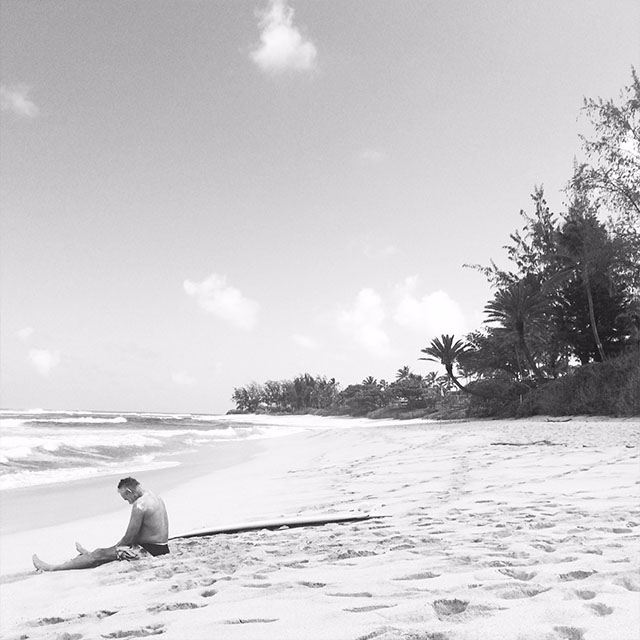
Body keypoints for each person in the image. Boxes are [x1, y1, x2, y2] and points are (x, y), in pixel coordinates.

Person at [32, 477, 169, 571]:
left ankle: (52, 568)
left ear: (129, 491)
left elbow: (129, 538)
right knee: (105, 552)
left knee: (99, 554)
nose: (128, 502)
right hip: (162, 548)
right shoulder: (155, 497)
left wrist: (111, 550)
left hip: (150, 551)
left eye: (126, 498)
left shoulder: (140, 505)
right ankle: (88, 555)